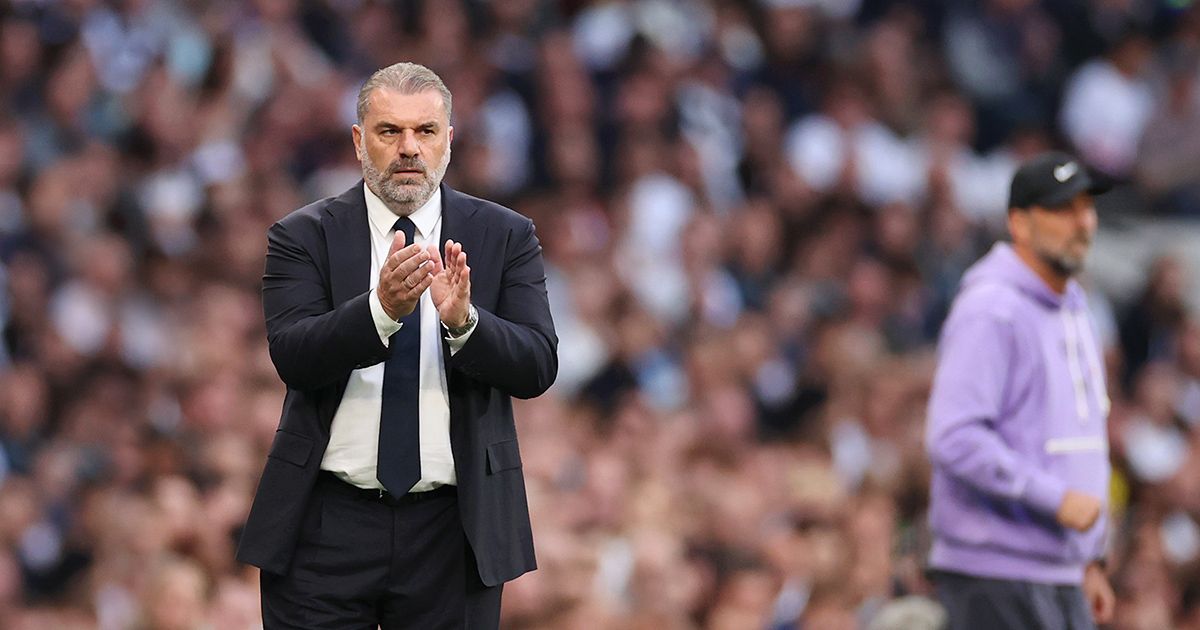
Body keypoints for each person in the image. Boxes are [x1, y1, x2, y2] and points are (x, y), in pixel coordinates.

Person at [235, 62, 558, 628]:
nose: (409, 148)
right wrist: (379, 311)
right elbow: (293, 355)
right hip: (324, 524)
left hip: (455, 526)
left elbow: (537, 365)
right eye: (390, 131)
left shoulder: (506, 234)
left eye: (425, 132)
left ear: (449, 141)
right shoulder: (302, 235)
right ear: (359, 141)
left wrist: (466, 323)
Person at [924, 151, 1117, 629]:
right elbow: (954, 437)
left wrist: (1088, 560)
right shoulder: (992, 310)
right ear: (1020, 224)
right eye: (1062, 210)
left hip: (1059, 571)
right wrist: (1054, 499)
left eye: (1086, 207)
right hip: (997, 573)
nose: (1082, 223)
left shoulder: (1075, 308)